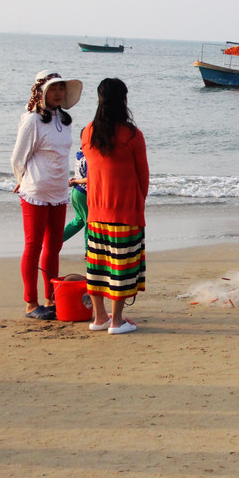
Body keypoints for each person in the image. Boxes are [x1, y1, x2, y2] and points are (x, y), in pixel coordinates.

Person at [11, 70, 83, 319]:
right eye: (52, 89)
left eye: (60, 89)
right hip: (36, 191)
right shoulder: (32, 121)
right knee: (33, 246)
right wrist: (21, 181)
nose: (57, 93)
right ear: (41, 92)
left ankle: (51, 298)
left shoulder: (65, 121)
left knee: (53, 246)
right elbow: (18, 157)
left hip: (59, 190)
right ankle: (31, 303)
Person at [81, 78, 149, 334]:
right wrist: (137, 203)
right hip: (125, 211)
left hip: (96, 210)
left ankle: (99, 318)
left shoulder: (88, 132)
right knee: (121, 267)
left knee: (97, 266)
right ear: (123, 99)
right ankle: (117, 321)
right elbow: (143, 177)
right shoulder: (132, 134)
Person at [62, 148, 88, 253]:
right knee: (89, 222)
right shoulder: (88, 158)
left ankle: (55, 241)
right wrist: (76, 181)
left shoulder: (79, 154)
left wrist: (75, 180)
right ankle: (89, 250)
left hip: (76, 192)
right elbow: (89, 178)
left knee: (79, 221)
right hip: (84, 193)